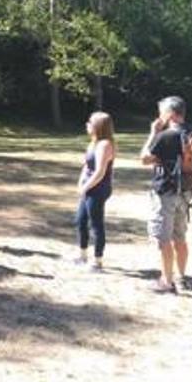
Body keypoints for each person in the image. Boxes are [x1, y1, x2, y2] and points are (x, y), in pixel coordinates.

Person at [141, 96, 192, 293]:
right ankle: (181, 278)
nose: (159, 116)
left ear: (170, 114)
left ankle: (166, 281)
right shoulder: (191, 133)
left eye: (161, 112)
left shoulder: (166, 136)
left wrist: (153, 133)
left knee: (163, 238)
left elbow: (145, 158)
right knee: (180, 237)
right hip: (185, 193)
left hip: (165, 193)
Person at [73, 111, 116, 271]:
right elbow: (86, 166)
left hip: (98, 188)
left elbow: (100, 172)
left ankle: (97, 260)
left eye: (90, 122)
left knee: (96, 224)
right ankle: (82, 254)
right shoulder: (93, 142)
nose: (87, 124)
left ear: (98, 126)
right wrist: (80, 182)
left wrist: (86, 187)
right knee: (80, 220)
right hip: (89, 187)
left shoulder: (105, 144)